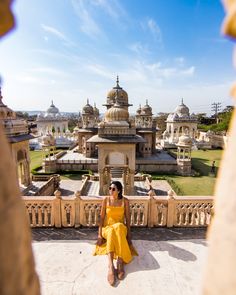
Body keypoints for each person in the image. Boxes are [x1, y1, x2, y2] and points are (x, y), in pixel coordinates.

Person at [93, 180, 138, 286]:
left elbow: (127, 218)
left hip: (121, 228)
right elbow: (101, 218)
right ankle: (111, 266)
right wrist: (99, 235)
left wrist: (129, 236)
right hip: (107, 228)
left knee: (117, 227)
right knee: (113, 230)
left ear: (119, 191)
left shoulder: (125, 201)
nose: (110, 190)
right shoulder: (106, 200)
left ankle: (120, 261)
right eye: (109, 188)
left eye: (113, 189)